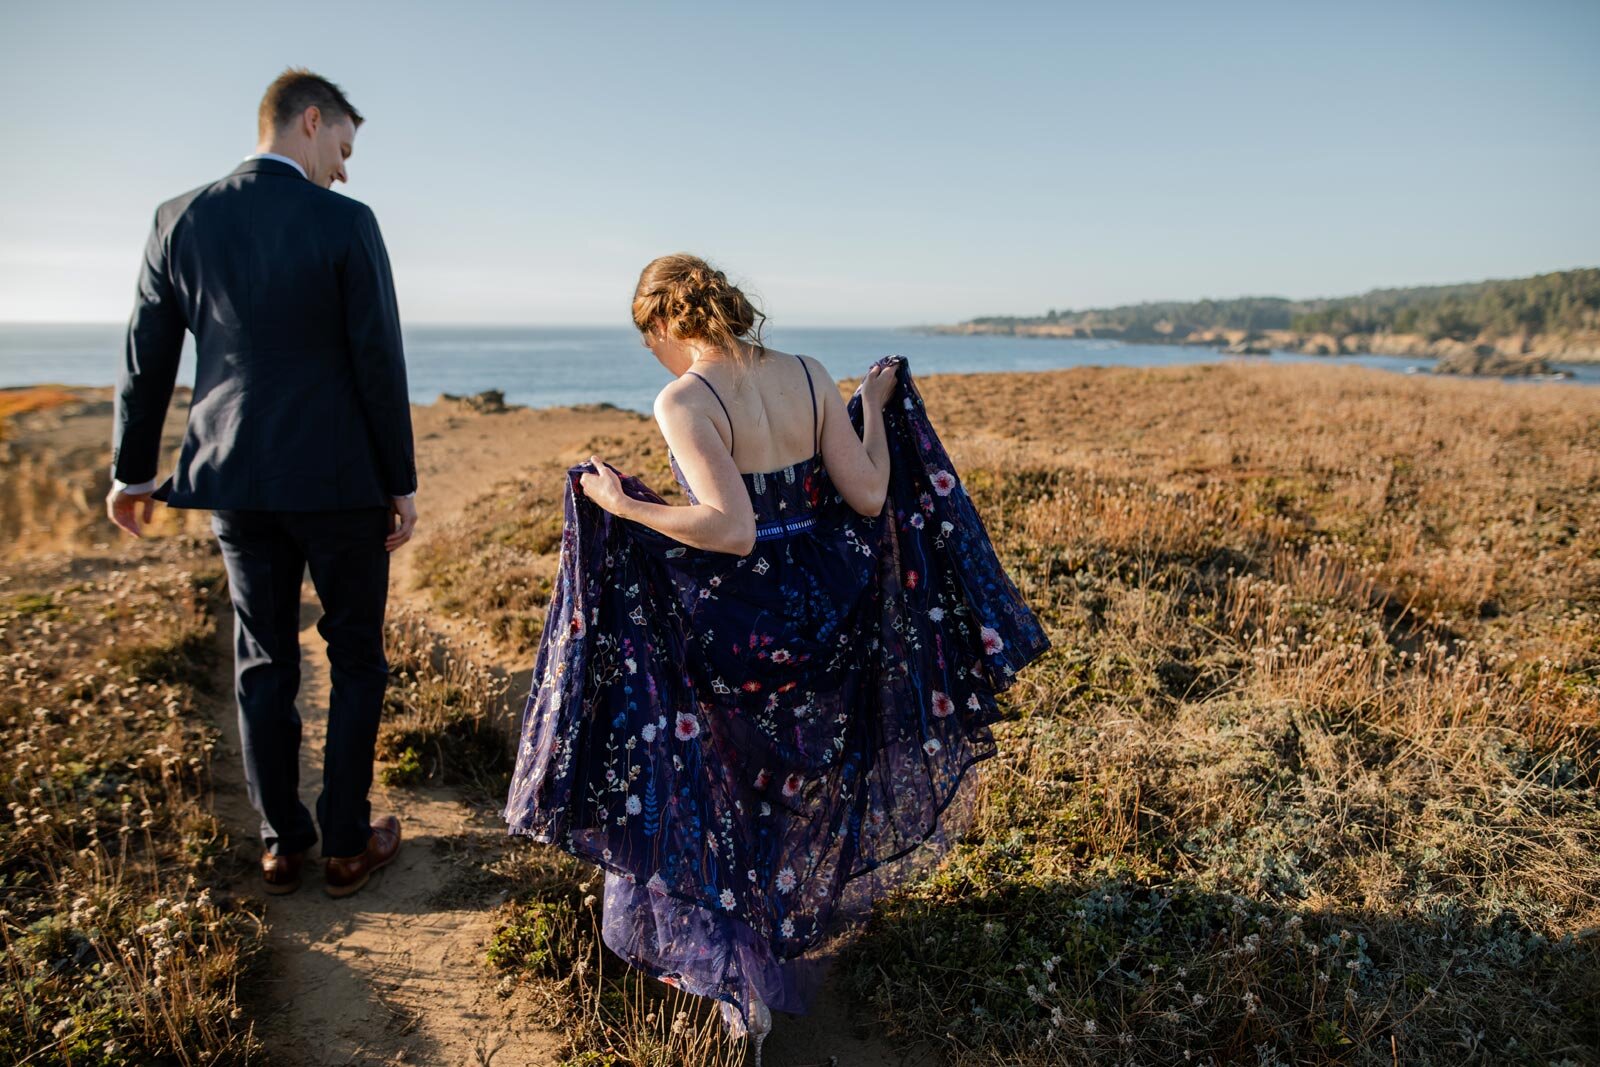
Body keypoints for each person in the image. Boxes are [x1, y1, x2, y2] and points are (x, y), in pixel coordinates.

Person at [502, 254, 1050, 1062]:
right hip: (825, 604)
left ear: (664, 323)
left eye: (647, 337)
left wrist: (624, 505)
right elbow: (868, 495)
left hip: (739, 620)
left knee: (715, 774)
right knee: (789, 780)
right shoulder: (808, 372)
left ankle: (735, 983)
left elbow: (731, 529)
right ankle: (767, 944)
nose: (652, 354)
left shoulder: (685, 397)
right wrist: (868, 409)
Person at [107, 68, 417, 898]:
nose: (345, 169)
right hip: (343, 479)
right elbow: (379, 362)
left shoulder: (179, 217)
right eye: (343, 147)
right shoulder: (347, 223)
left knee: (263, 657)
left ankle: (282, 844)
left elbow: (147, 360)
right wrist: (401, 481)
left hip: (236, 479)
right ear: (310, 121)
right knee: (356, 658)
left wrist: (133, 471)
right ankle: (348, 843)